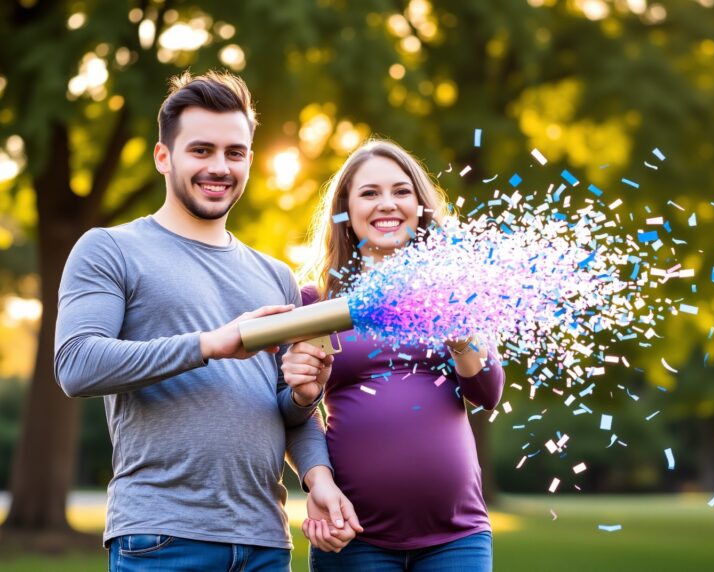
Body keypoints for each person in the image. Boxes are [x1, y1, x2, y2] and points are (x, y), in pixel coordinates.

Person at [55, 70, 360, 571]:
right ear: (163, 156)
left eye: (234, 153)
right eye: (201, 150)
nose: (219, 167)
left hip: (265, 541)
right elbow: (77, 364)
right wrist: (212, 343)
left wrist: (310, 421)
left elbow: (287, 413)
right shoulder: (109, 249)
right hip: (163, 537)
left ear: (250, 161)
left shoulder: (276, 276)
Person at [282, 140, 505, 571]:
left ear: (420, 206)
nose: (388, 203)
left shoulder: (453, 288)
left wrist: (460, 332)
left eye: (401, 191)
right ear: (345, 210)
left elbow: (488, 393)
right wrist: (318, 483)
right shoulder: (317, 302)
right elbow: (296, 409)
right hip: (353, 534)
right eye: (370, 193)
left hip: (457, 536)